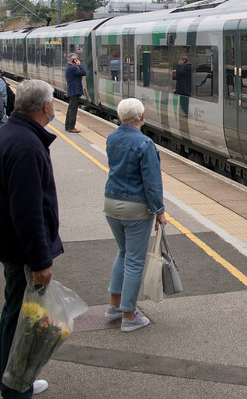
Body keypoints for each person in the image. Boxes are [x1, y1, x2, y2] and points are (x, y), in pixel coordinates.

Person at [0, 79, 62, 398]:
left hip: (11, 246)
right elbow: (27, 210)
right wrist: (40, 261)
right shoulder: (26, 145)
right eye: (53, 103)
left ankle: (12, 380)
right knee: (22, 322)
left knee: (14, 313)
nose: (54, 108)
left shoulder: (8, 133)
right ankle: (16, 387)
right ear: (45, 107)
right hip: (22, 251)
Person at [103, 97, 167, 332]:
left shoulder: (112, 138)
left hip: (111, 204)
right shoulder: (145, 144)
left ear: (120, 117)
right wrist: (159, 211)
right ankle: (129, 315)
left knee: (123, 253)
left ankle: (114, 305)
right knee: (135, 260)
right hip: (136, 209)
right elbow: (152, 182)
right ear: (142, 117)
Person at [64, 53, 86, 133]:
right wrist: (80, 65)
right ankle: (71, 127)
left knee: (71, 108)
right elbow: (83, 73)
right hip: (74, 91)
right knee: (73, 110)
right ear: (72, 60)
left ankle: (68, 126)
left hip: (72, 90)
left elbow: (79, 74)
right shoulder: (72, 68)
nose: (77, 61)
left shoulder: (70, 68)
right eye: (76, 59)